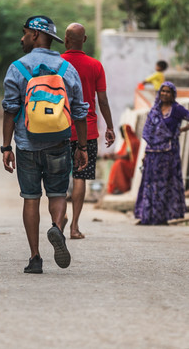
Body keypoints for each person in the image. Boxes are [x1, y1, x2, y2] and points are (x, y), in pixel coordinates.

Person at [1, 15, 89, 274]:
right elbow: (80, 112)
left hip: (27, 144)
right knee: (58, 194)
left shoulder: (18, 67)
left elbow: (9, 110)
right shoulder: (66, 68)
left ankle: (35, 258)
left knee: (30, 199)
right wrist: (82, 147)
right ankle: (56, 228)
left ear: (37, 36)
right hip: (59, 142)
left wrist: (6, 147)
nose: (23, 37)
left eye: (26, 33)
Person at [60, 22, 115, 239]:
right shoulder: (95, 65)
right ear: (84, 39)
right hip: (88, 130)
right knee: (80, 176)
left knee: (60, 176)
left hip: (59, 127)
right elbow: (102, 99)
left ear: (65, 40)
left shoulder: (58, 64)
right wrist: (110, 126)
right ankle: (74, 226)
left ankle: (58, 219)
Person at [134, 81, 189, 225]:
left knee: (165, 184)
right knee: (150, 183)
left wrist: (180, 130)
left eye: (168, 92)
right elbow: (149, 133)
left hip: (168, 153)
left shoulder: (177, 109)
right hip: (152, 153)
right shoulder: (154, 110)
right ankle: (147, 216)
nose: (164, 94)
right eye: (162, 91)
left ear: (173, 94)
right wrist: (145, 155)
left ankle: (162, 217)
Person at [105, 124, 140, 194]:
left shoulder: (132, 141)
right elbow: (120, 153)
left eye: (122, 133)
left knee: (119, 163)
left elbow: (127, 156)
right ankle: (116, 187)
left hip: (132, 165)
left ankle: (122, 187)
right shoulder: (126, 142)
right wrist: (111, 155)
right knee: (118, 163)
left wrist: (114, 157)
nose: (121, 135)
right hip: (126, 163)